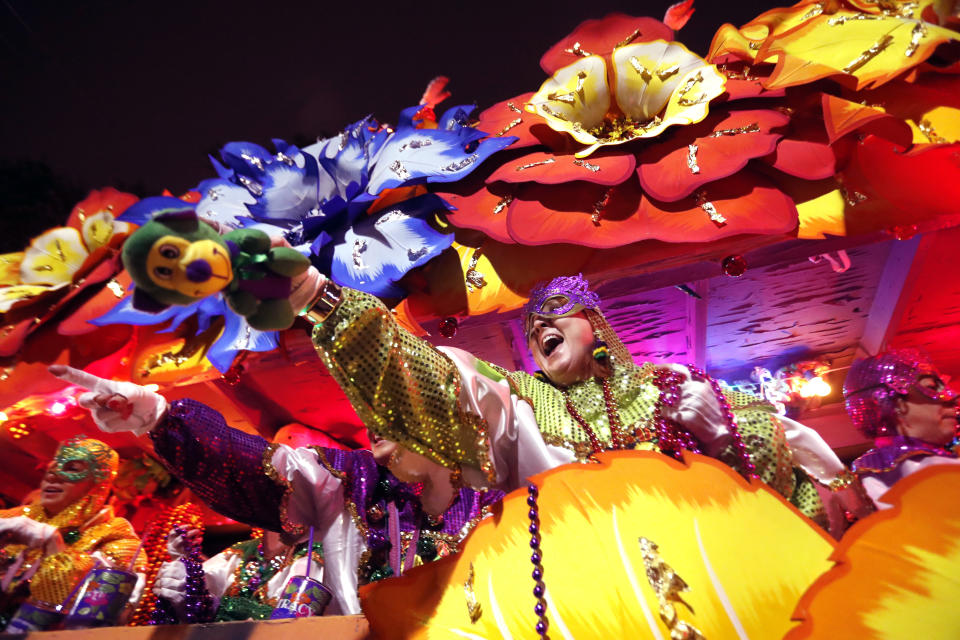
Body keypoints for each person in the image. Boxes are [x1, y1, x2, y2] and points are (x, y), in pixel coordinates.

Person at [47, 363, 504, 615]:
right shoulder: (349, 481)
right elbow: (263, 466)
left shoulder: (502, 499)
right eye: (367, 400)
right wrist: (161, 418)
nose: (373, 413)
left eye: (394, 400)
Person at [0, 437, 145, 632]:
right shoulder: (16, 516)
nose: (52, 475)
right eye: (52, 466)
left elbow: (91, 622)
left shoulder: (118, 540)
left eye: (73, 468)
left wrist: (54, 545)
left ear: (99, 482)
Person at [844, 350, 960, 509]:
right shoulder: (914, 469)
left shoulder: (867, 475)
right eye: (932, 387)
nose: (952, 397)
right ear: (892, 404)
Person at [152, 527, 323, 622]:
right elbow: (202, 587)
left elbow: (292, 626)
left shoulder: (314, 558)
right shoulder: (241, 551)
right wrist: (184, 567)